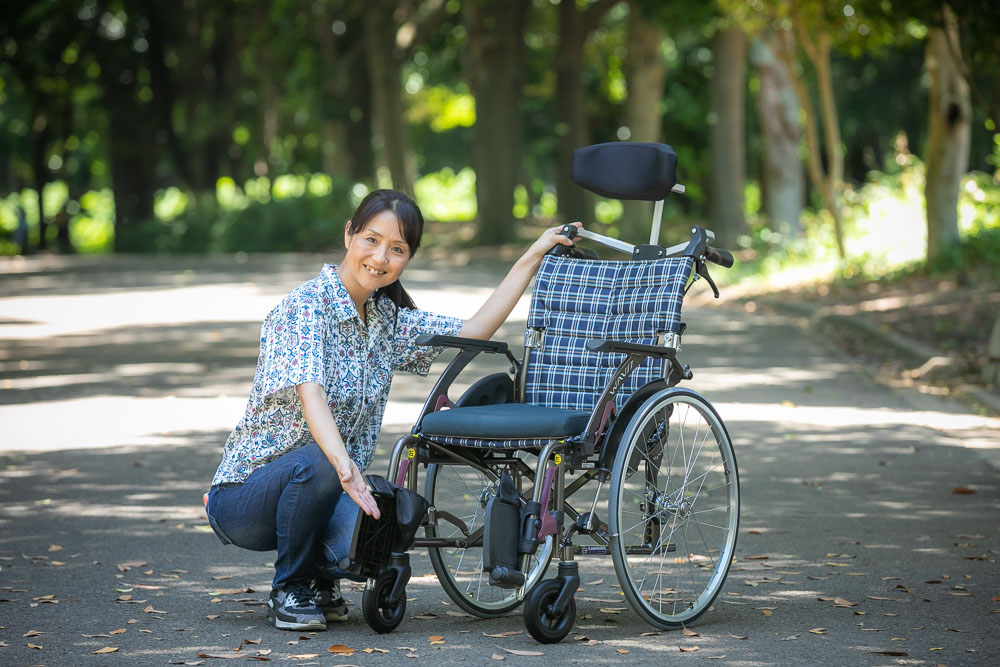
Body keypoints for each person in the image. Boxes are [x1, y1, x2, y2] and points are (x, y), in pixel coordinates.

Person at [206, 189, 579, 631]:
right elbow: (312, 395)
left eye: (397, 249)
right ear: (349, 234)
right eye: (371, 239)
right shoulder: (304, 307)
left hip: (325, 488)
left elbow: (474, 330)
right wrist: (345, 468)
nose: (380, 257)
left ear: (407, 258)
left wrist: (532, 256)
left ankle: (325, 579)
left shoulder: (388, 319)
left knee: (392, 505)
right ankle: (290, 587)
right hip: (246, 499)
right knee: (321, 462)